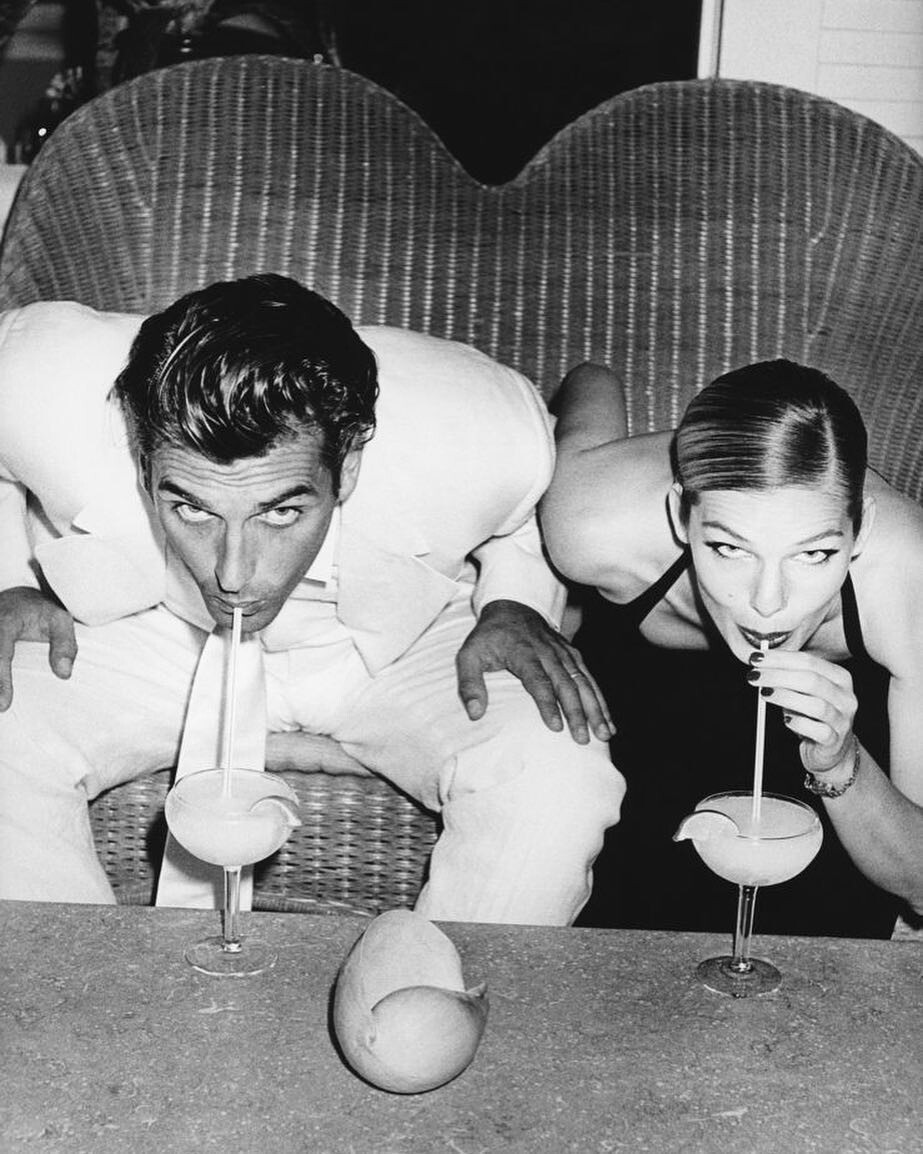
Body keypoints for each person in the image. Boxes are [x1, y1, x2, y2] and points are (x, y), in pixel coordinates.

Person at [0, 273, 624, 924]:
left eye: (280, 511)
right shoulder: (34, 376)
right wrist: (10, 577)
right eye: (192, 507)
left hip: (397, 646)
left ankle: (439, 985)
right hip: (155, 627)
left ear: (348, 464)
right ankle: (58, 983)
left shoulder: (486, 435)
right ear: (140, 453)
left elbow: (523, 511)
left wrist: (514, 602)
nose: (233, 574)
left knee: (554, 776)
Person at [540, 359, 923, 939]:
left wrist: (843, 762)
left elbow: (919, 882)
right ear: (680, 516)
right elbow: (592, 378)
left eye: (814, 554)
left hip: (831, 766)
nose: (768, 603)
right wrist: (520, 604)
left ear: (861, 531)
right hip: (640, 728)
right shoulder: (590, 522)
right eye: (729, 548)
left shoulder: (909, 580)